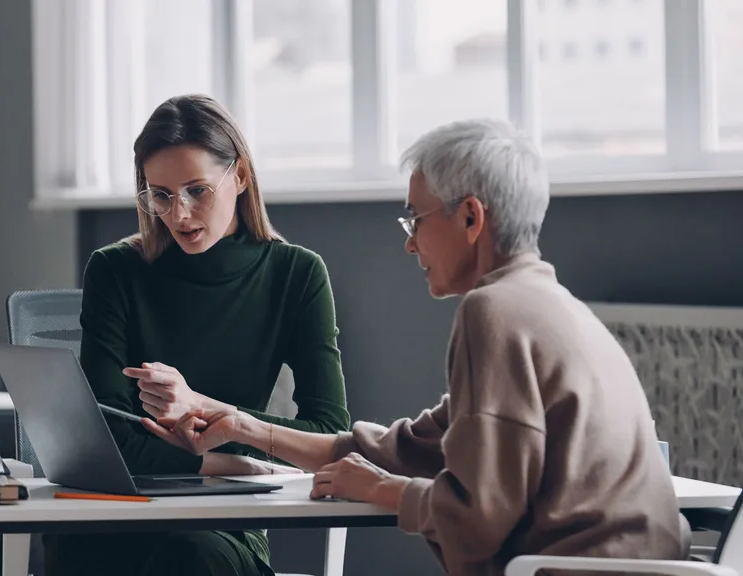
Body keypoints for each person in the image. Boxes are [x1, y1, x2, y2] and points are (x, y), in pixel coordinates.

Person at [146, 119, 689, 575]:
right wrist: (240, 424)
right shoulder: (551, 306)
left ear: (471, 217)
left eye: (417, 218)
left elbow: (478, 522)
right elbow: (406, 447)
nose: (409, 241)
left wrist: (385, 491)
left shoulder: (493, 312)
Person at [44, 94, 351, 576]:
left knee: (191, 556)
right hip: (113, 516)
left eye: (197, 190)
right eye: (160, 195)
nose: (179, 214)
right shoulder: (115, 270)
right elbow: (105, 442)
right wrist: (233, 463)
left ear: (242, 176)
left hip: (221, 528)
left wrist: (203, 411)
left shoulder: (297, 274)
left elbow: (329, 437)